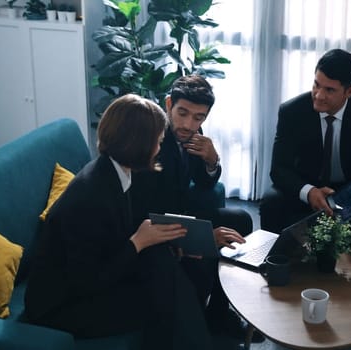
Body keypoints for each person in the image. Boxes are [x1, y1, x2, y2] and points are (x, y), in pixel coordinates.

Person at [24, 94, 212, 349]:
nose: (159, 149)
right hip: (61, 305)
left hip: (95, 274)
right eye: (157, 142)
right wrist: (137, 243)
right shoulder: (90, 196)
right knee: (163, 296)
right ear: (140, 145)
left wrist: (165, 242)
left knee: (163, 263)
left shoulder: (116, 171)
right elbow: (86, 281)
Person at [130, 75, 261, 341]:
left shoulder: (192, 133)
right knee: (204, 259)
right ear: (168, 104)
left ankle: (219, 311)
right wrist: (199, 237)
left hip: (183, 211)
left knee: (241, 220)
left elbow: (203, 183)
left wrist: (212, 160)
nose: (189, 125)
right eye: (183, 113)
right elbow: (147, 213)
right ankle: (196, 325)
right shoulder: (149, 141)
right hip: (153, 226)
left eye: (199, 117)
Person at [259, 48, 351, 249]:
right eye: (316, 85)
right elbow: (279, 169)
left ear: (349, 92)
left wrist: (343, 204)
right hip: (308, 185)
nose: (319, 95)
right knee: (271, 201)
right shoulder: (292, 111)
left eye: (329, 90)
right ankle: (274, 262)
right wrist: (309, 192)